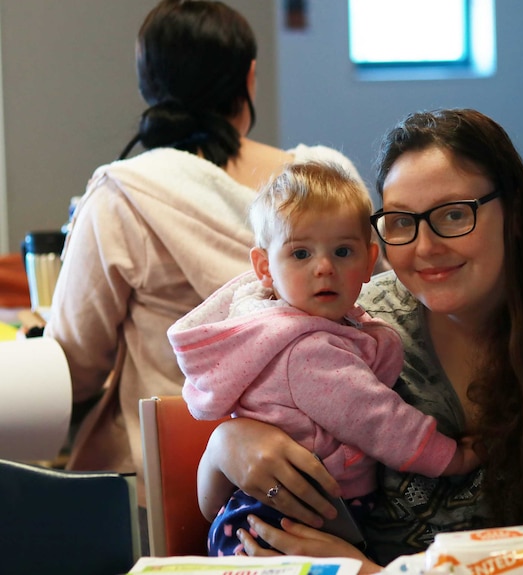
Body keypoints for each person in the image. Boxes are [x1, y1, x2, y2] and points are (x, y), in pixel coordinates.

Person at [195, 109, 523, 570]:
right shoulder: (357, 319)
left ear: (515, 214)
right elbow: (206, 504)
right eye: (400, 222)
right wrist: (225, 445)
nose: (425, 248)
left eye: (454, 214)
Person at [44, 0, 366, 538]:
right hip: (326, 482)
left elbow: (75, 368)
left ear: (150, 84)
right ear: (250, 79)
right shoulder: (327, 192)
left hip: (166, 491)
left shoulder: (126, 192)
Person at [168, 161, 479, 556]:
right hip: (290, 522)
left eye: (342, 251)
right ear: (265, 267)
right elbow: (380, 420)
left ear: (369, 262)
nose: (324, 267)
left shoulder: (292, 326)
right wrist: (452, 457)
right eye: (300, 253)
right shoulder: (307, 350)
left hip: (267, 512)